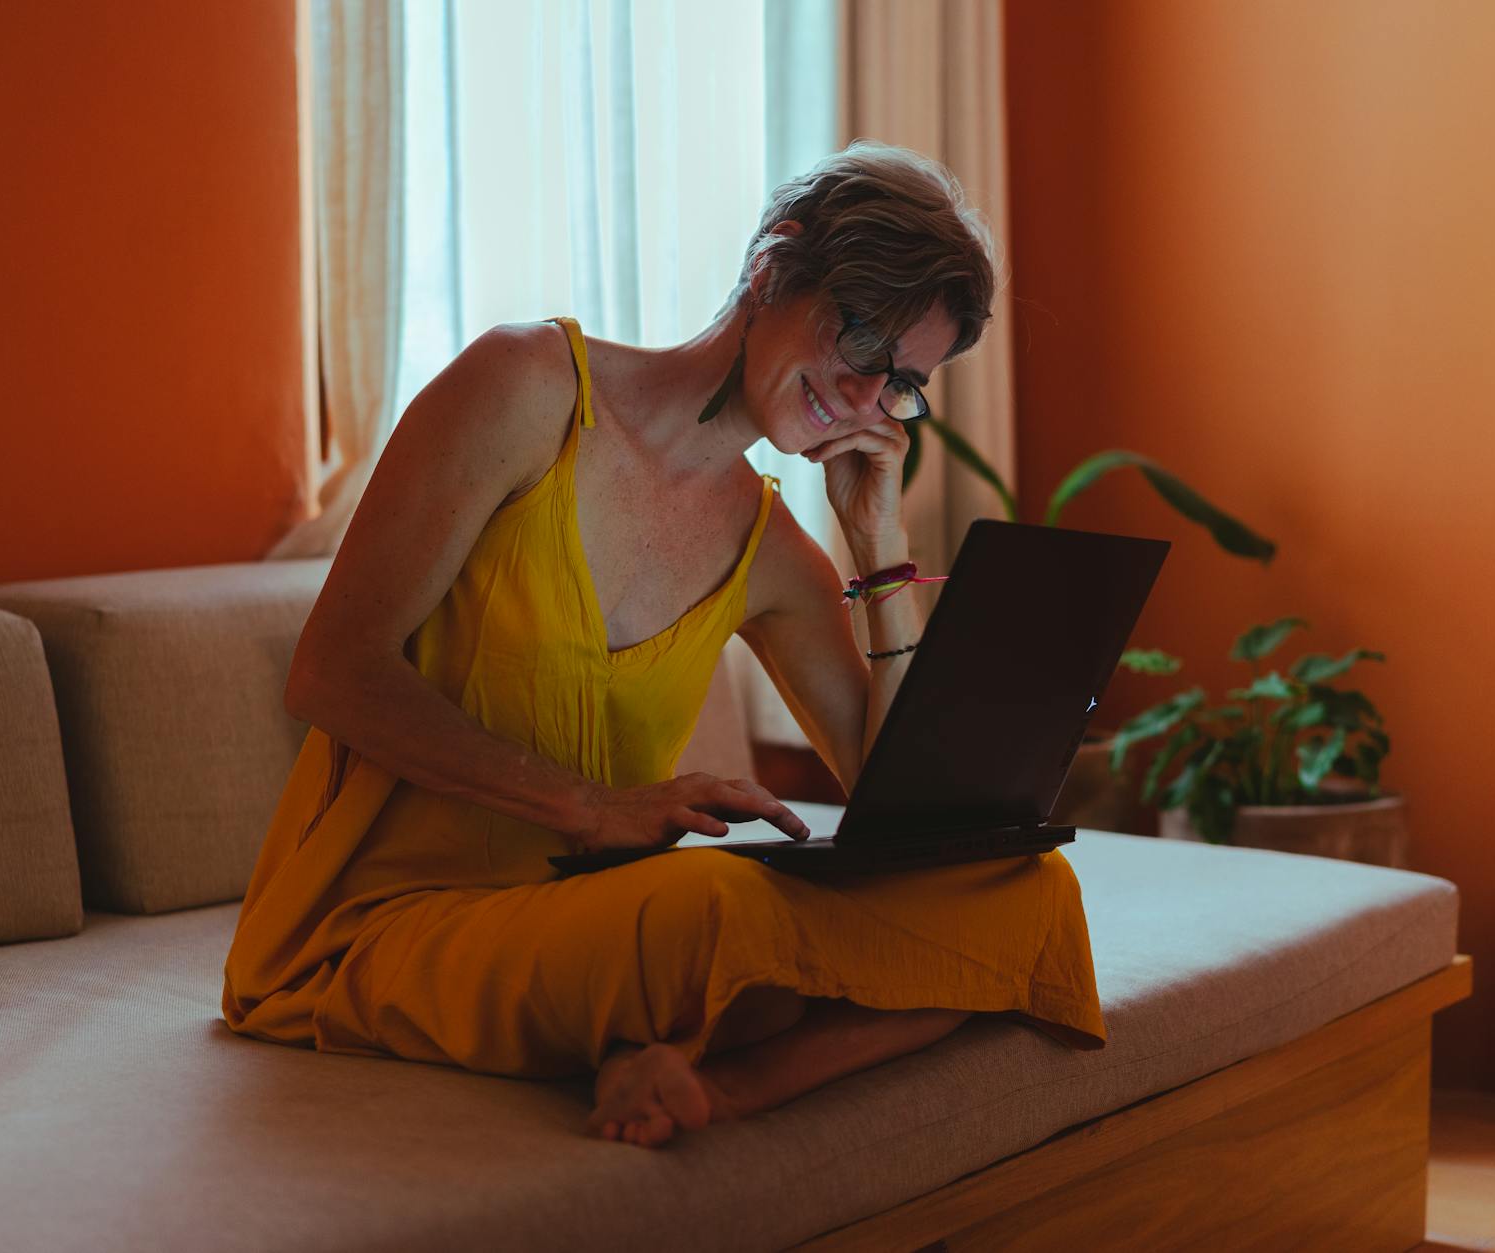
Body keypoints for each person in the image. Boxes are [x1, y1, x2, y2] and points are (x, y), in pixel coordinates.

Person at [221, 140, 1106, 1149]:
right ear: (773, 267)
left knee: (1026, 892)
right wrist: (591, 806)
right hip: (375, 924)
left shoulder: (769, 547)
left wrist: (877, 546)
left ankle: (718, 1085)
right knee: (718, 904)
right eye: (862, 342)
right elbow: (333, 670)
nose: (867, 398)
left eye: (901, 383)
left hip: (589, 923)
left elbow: (901, 811)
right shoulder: (526, 388)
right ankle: (697, 1029)